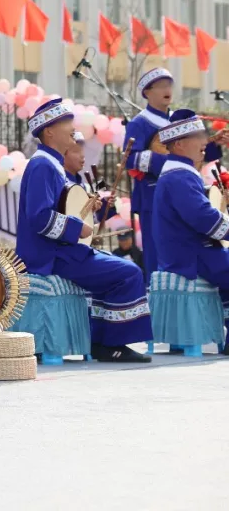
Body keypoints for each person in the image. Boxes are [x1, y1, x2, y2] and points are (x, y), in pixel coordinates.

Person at [17, 99, 152, 362]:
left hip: (60, 252)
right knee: (128, 273)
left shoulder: (51, 164)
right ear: (49, 132)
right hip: (50, 256)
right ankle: (110, 344)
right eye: (66, 123)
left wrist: (86, 210)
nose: (73, 127)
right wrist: (77, 228)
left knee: (119, 269)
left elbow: (60, 208)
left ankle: (102, 341)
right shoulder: (42, 165)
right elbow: (39, 218)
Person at [124, 68, 224, 283]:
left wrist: (212, 144)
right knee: (157, 250)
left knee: (187, 240)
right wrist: (169, 162)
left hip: (180, 188)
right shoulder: (140, 122)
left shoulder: (176, 119)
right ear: (147, 92)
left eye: (169, 84)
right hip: (152, 194)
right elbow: (129, 158)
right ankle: (157, 293)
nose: (167, 89)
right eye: (161, 86)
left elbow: (192, 156)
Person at [150, 110, 229, 343]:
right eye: (198, 136)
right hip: (191, 257)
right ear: (179, 144)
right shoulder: (179, 176)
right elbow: (203, 217)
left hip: (191, 252)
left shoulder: (179, 172)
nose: (205, 141)